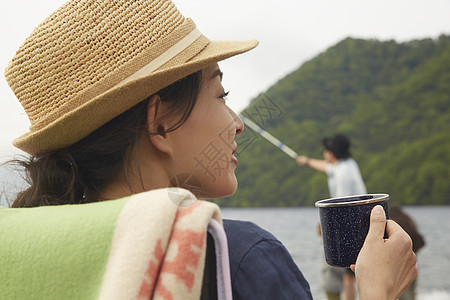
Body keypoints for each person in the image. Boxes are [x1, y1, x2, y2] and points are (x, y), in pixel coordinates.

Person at [3, 0, 417, 299]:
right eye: (222, 94)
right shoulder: (236, 259)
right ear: (159, 122)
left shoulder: (23, 257)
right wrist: (378, 291)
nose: (237, 122)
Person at [297, 134, 365, 300]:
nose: (324, 152)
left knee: (349, 273)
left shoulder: (342, 174)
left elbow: (340, 205)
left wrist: (326, 226)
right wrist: (306, 161)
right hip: (358, 219)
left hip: (351, 222)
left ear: (332, 153)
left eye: (326, 150)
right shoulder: (347, 164)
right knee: (350, 271)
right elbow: (325, 167)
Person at [389, 204, 425, 300]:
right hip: (413, 263)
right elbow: (421, 242)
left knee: (402, 294)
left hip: (400, 266)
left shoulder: (394, 225)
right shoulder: (409, 222)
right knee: (411, 293)